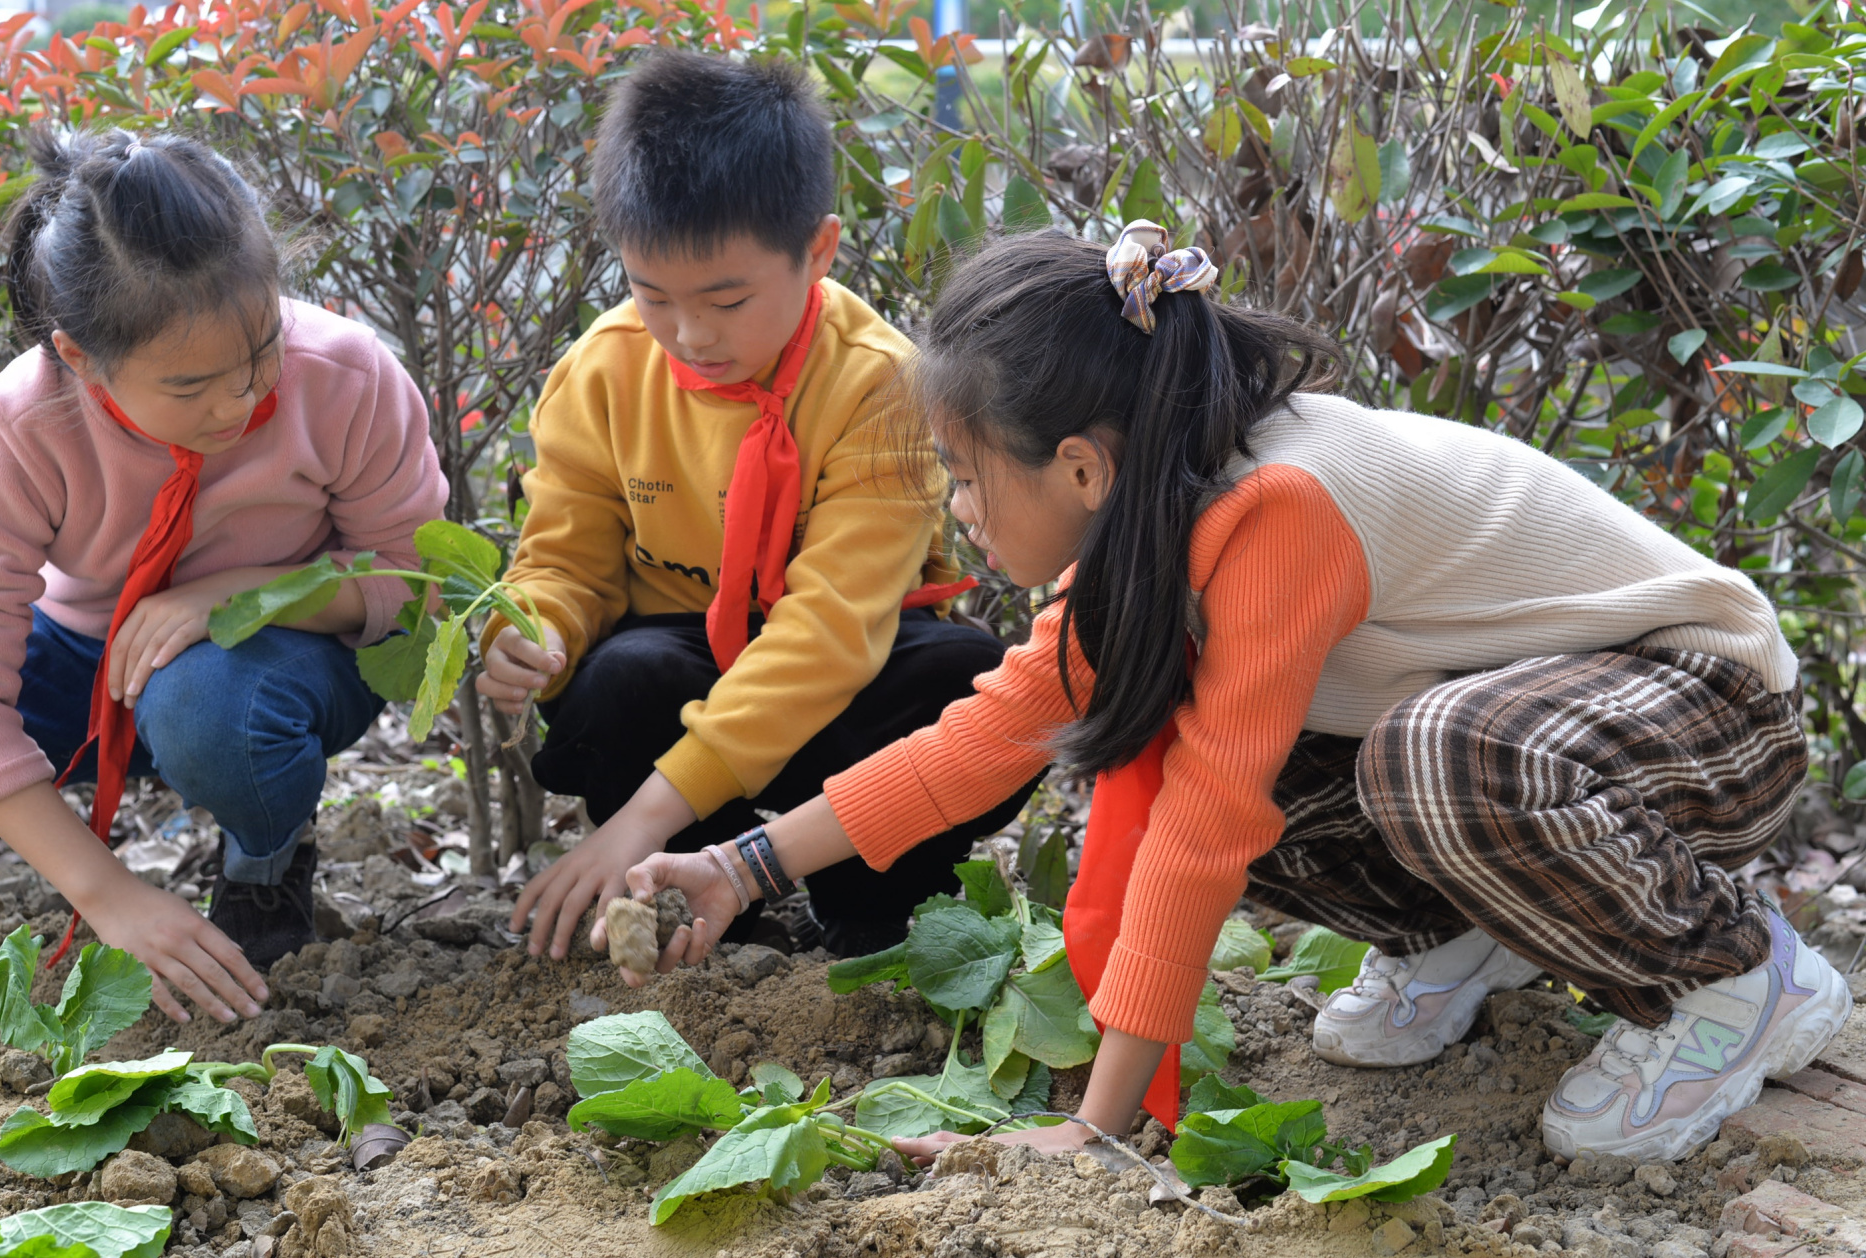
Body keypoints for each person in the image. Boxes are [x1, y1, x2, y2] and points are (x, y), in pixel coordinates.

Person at [620, 223, 1852, 1165]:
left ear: (1080, 467)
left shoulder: (1276, 509)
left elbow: (1204, 823)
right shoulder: (1152, 511)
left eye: (964, 473)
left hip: (1705, 713)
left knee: (1415, 755)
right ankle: (1462, 934)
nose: (959, 507)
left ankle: (1728, 978)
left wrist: (1093, 1130)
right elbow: (987, 735)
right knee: (1316, 751)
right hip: (1541, 733)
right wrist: (738, 868)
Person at [0, 126, 447, 1025]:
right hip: (81, 653)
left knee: (212, 710)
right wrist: (107, 893)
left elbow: (415, 579)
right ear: (79, 358)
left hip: (274, 659)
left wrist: (238, 599)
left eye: (262, 349)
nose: (243, 399)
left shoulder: (345, 374)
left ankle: (263, 864)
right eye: (190, 385)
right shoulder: (19, 425)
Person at [478, 52, 1026, 960]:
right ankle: (692, 902)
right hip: (684, 659)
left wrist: (643, 811)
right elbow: (566, 563)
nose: (691, 334)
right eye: (653, 295)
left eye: (727, 300)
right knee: (617, 683)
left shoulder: (880, 384)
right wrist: (536, 628)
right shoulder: (603, 372)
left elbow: (829, 630)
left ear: (819, 250)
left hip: (845, 679)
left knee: (963, 678)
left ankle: (869, 901)